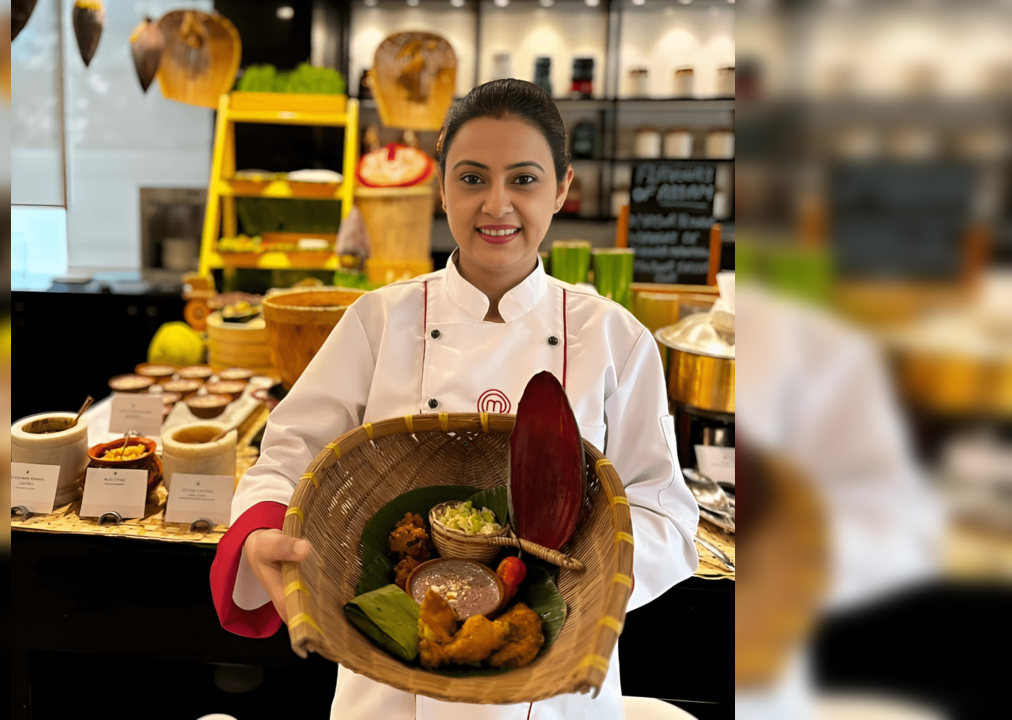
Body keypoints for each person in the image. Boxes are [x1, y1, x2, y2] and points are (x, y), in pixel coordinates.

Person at [209, 79, 700, 720]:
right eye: (472, 178)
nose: (497, 205)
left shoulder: (613, 337)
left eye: (523, 180)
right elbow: (286, 456)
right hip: (388, 679)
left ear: (561, 188)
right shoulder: (379, 320)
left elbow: (666, 515)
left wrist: (574, 580)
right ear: (443, 188)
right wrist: (261, 533)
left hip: (552, 682)